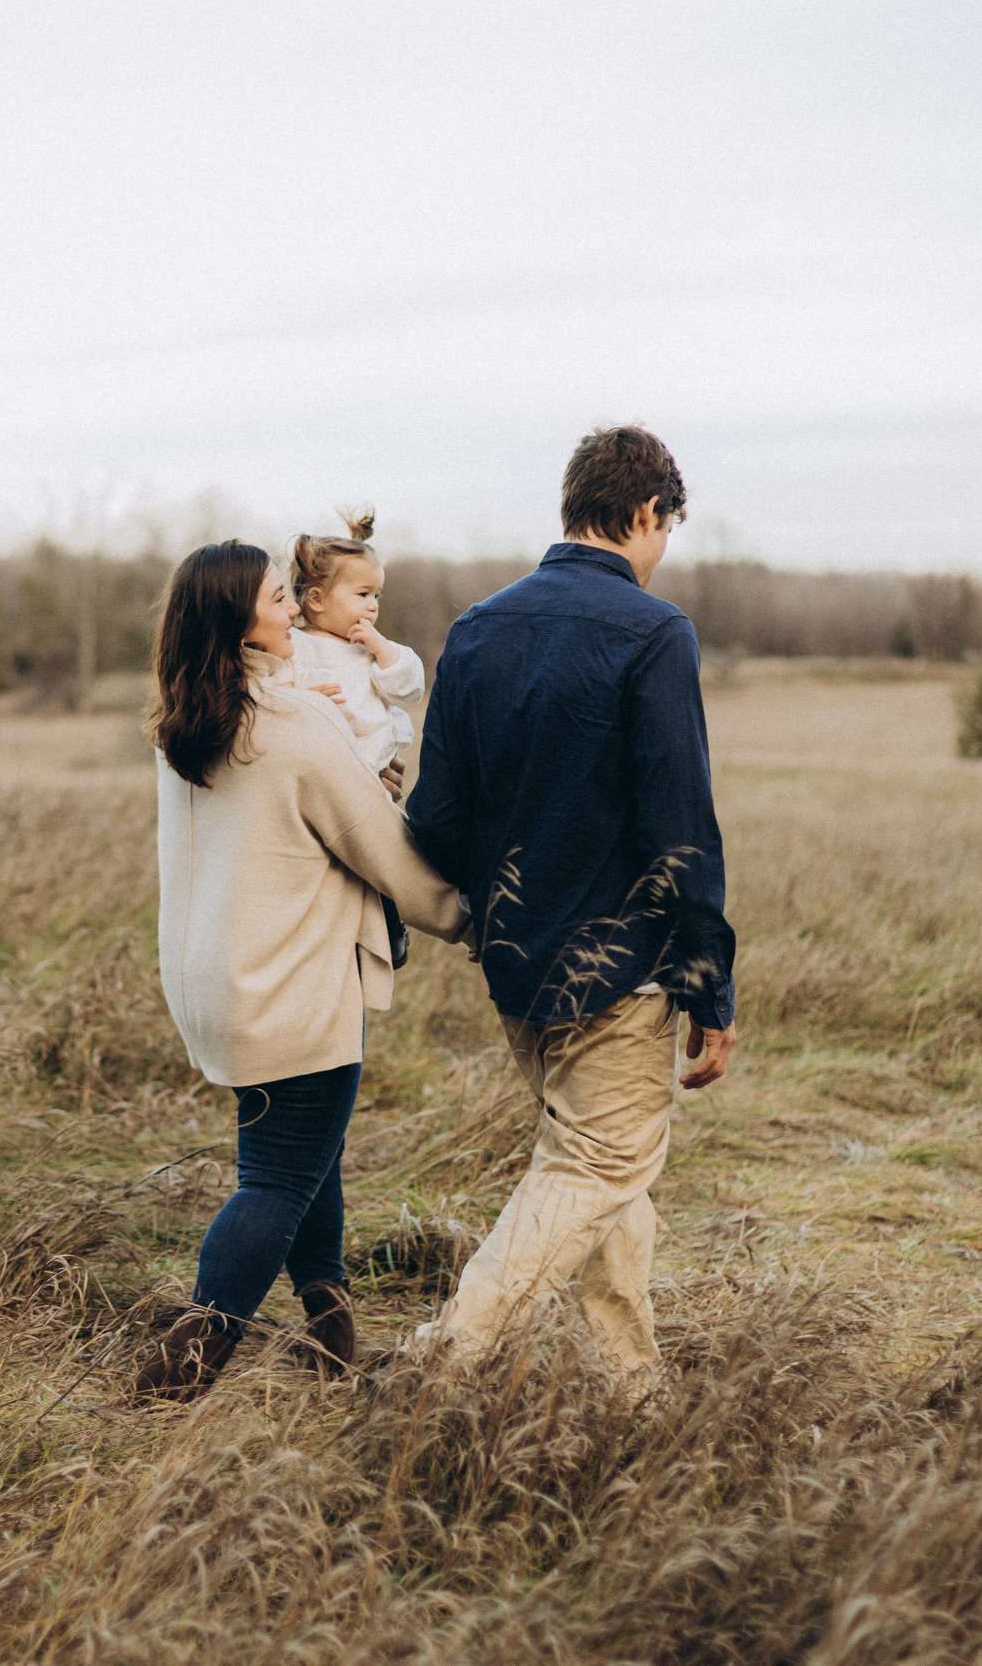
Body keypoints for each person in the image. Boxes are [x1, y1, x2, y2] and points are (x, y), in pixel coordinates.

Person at [404, 425, 739, 1374]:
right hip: (620, 975)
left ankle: (635, 1390)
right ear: (644, 514)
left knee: (606, 1177)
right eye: (665, 525)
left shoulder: (476, 628)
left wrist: (500, 908)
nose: (662, 544)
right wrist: (709, 989)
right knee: (597, 1164)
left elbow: (433, 818)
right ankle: (447, 1355)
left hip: (513, 965)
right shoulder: (653, 632)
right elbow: (681, 829)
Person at [135, 540, 468, 1404]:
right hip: (294, 990)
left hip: (226, 988)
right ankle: (188, 1358)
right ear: (238, 621)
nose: (293, 612)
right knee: (277, 1179)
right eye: (279, 600)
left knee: (302, 1153)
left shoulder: (190, 719)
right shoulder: (291, 723)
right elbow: (385, 850)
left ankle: (330, 1331)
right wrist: (474, 920)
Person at [284, 510, 426, 786]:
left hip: (373, 767)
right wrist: (300, 699)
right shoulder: (293, 644)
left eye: (377, 595)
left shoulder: (370, 648)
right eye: (363, 594)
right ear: (316, 599)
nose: (373, 604)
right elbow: (274, 692)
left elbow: (409, 689)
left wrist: (382, 648)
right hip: (319, 769)